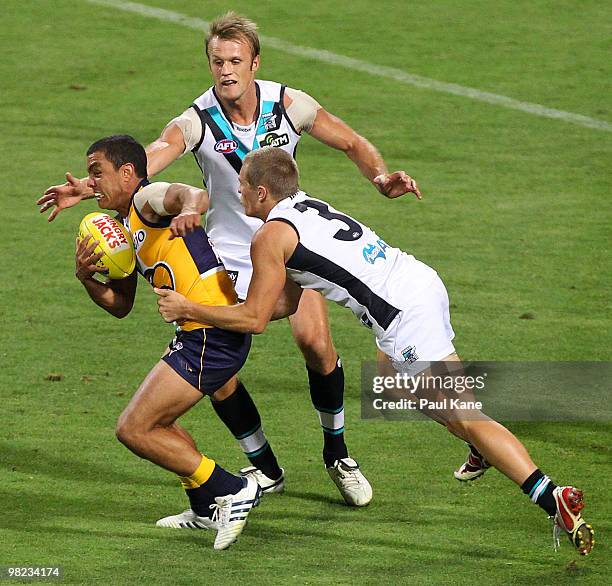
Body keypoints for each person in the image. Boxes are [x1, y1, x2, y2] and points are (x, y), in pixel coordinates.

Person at [37, 12, 424, 506]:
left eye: (236, 60)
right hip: (229, 261)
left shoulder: (289, 104)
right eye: (217, 61)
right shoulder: (195, 120)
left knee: (318, 346)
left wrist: (379, 178)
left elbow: (350, 141)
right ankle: (265, 467)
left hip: (291, 245)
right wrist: (93, 187)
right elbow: (148, 160)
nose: (226, 70)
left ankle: (337, 454)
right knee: (219, 374)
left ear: (255, 62)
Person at [154, 147, 595, 556]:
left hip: (403, 314)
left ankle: (550, 496)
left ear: (262, 191)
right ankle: (480, 446)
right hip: (418, 282)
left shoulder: (269, 237)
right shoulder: (302, 208)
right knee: (393, 385)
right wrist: (229, 304)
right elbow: (283, 304)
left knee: (468, 415)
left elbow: (254, 320)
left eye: (244, 185)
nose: (237, 191)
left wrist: (190, 307)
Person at [68, 134, 271, 550]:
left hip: (213, 333)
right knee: (159, 421)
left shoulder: (147, 199)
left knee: (134, 429)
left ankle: (231, 488)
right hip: (196, 332)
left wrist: (192, 210)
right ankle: (202, 507)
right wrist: (87, 278)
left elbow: (188, 193)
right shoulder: (125, 228)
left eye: (97, 173)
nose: (92, 184)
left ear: (128, 174)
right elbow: (121, 305)